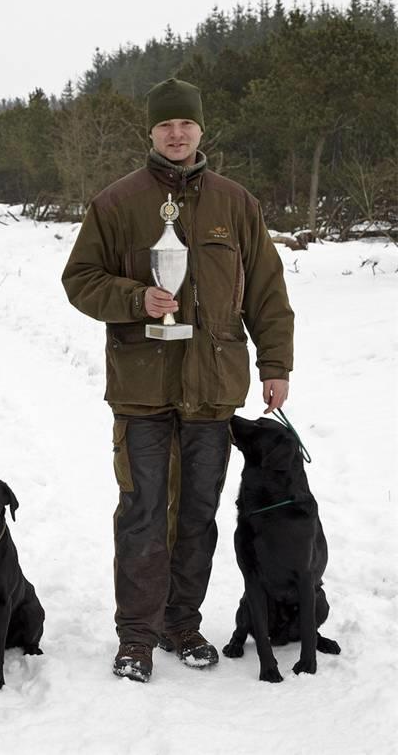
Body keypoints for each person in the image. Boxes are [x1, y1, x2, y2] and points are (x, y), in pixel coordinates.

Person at [61, 77, 293, 683]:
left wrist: (276, 364)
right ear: (152, 132)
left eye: (185, 125)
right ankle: (135, 636)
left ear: (200, 130)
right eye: (166, 125)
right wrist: (136, 298)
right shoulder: (116, 203)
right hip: (141, 388)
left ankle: (180, 623)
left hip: (213, 389)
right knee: (141, 511)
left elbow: (266, 292)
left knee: (196, 513)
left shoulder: (236, 204)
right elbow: (79, 279)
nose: (176, 134)